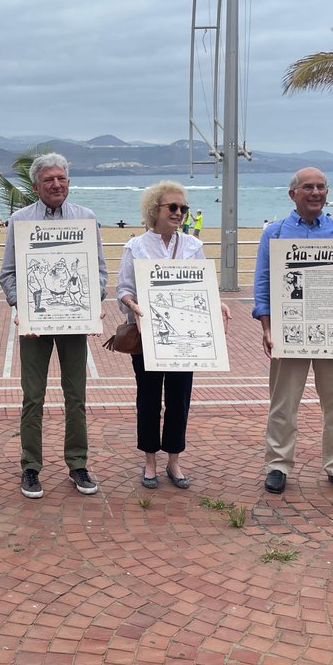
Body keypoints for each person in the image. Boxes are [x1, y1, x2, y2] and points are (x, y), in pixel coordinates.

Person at [0, 152, 107, 499]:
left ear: (69, 181)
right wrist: (21, 307)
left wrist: (92, 304)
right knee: (33, 397)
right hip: (35, 324)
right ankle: (30, 468)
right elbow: (9, 273)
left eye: (61, 178)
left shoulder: (86, 218)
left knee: (76, 397)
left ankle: (78, 464)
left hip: (75, 323)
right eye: (49, 180)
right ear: (36, 186)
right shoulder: (20, 219)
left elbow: (99, 272)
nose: (57, 184)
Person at [253, 168, 333, 496]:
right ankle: (277, 464)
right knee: (283, 403)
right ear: (293, 194)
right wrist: (266, 327)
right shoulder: (274, 233)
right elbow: (263, 283)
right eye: (308, 187)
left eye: (320, 187)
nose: (315, 193)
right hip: (289, 331)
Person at [117, 181, 230, 489]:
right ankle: (150, 461)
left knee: (179, 398)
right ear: (155, 210)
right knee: (149, 399)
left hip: (186, 337)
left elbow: (203, 286)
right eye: (173, 207)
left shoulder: (193, 246)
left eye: (184, 208)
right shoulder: (135, 247)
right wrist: (132, 306)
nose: (180, 213)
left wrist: (217, 301)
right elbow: (123, 289)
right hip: (147, 337)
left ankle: (174, 461)